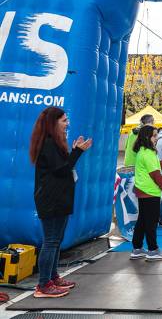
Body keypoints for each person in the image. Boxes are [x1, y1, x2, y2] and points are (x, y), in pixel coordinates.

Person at [30, 107, 92, 298]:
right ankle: (43, 285)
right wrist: (77, 153)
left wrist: (73, 150)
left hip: (60, 198)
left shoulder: (56, 143)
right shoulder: (48, 143)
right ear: (53, 122)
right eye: (64, 120)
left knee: (56, 242)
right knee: (50, 241)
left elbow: (62, 168)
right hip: (51, 200)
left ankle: (53, 277)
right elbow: (61, 169)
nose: (68, 124)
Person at [130, 125, 162, 261]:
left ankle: (137, 249)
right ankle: (152, 250)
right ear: (146, 137)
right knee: (151, 222)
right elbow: (155, 173)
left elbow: (157, 166)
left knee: (142, 221)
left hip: (144, 191)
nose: (156, 139)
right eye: (154, 136)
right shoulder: (148, 153)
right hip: (150, 192)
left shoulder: (144, 152)